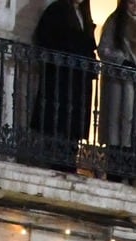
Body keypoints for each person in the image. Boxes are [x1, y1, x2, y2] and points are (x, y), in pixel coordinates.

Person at [30, 0, 98, 169]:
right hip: (61, 80)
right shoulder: (56, 10)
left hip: (78, 83)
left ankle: (69, 162)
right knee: (57, 125)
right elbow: (45, 40)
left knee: (73, 128)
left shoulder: (85, 17)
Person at [98, 0, 136, 170]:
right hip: (119, 82)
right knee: (117, 126)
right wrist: (122, 61)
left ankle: (131, 171)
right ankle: (115, 168)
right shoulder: (114, 22)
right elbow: (104, 48)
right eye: (132, 2)